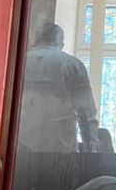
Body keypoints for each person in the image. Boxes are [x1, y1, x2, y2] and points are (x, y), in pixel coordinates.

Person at [18, 23, 99, 153]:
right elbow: (86, 112)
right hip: (60, 145)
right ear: (61, 44)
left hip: (21, 144)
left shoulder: (18, 62)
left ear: (35, 41)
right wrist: (91, 149)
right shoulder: (72, 65)